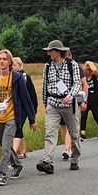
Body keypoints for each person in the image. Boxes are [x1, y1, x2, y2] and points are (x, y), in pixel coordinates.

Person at [0, 49, 37, 186]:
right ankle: (17, 164)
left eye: (4, 59)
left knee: (6, 145)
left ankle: (2, 174)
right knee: (3, 143)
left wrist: (32, 119)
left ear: (10, 61)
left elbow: (26, 99)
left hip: (12, 117)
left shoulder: (17, 78)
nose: (1, 61)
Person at [36, 40, 81, 174]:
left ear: (58, 52)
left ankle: (75, 159)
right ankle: (47, 162)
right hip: (53, 103)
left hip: (68, 104)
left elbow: (77, 84)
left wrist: (71, 96)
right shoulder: (48, 66)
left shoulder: (72, 65)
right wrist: (45, 102)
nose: (49, 53)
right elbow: (45, 85)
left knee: (73, 133)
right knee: (50, 132)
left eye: (51, 51)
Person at [59, 50, 88, 159]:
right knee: (63, 125)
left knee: (70, 125)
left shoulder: (76, 67)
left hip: (73, 100)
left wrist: (84, 100)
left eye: (66, 56)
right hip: (60, 100)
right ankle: (66, 147)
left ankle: (68, 149)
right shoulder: (57, 67)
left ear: (70, 56)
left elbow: (84, 84)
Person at [12, 57, 38, 159]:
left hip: (24, 108)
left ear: (20, 65)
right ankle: (23, 151)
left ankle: (13, 153)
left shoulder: (26, 77)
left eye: (15, 65)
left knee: (18, 127)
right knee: (19, 128)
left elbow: (32, 94)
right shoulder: (10, 77)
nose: (13, 67)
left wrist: (34, 110)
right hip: (14, 107)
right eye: (12, 65)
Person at [80, 61, 98, 140]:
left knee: (96, 116)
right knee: (83, 116)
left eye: (86, 71)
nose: (85, 72)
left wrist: (90, 63)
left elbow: (96, 71)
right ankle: (82, 134)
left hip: (95, 99)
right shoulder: (84, 79)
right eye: (84, 71)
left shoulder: (95, 77)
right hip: (86, 99)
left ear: (90, 71)